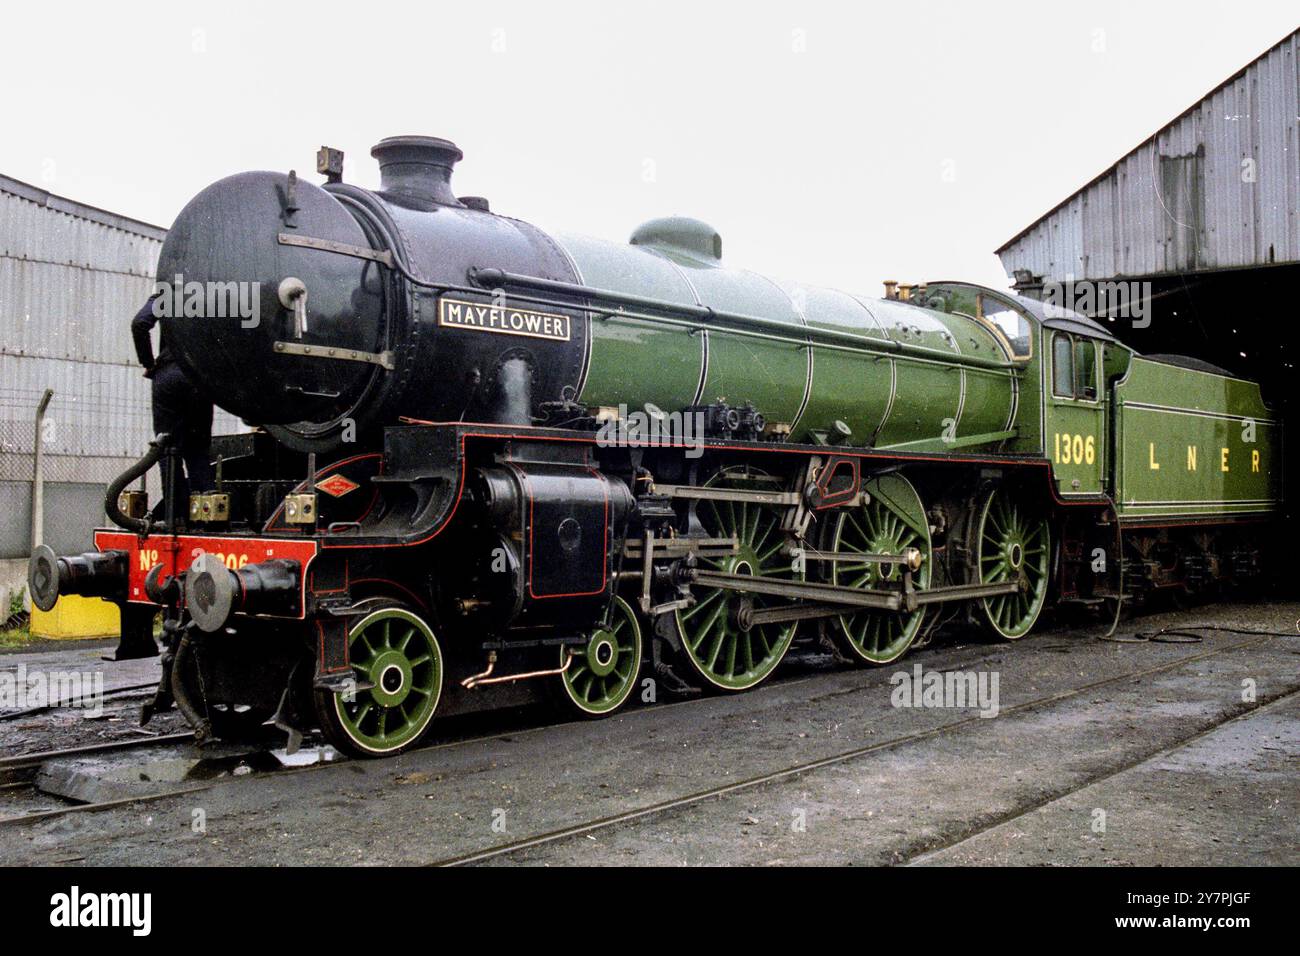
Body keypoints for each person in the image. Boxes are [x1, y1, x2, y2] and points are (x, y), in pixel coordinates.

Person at [131, 292, 214, 522]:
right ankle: (205, 515)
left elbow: (140, 324)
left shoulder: (168, 294)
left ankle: (176, 517)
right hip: (198, 377)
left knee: (167, 449)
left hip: (168, 375)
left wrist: (149, 363)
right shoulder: (213, 296)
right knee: (198, 450)